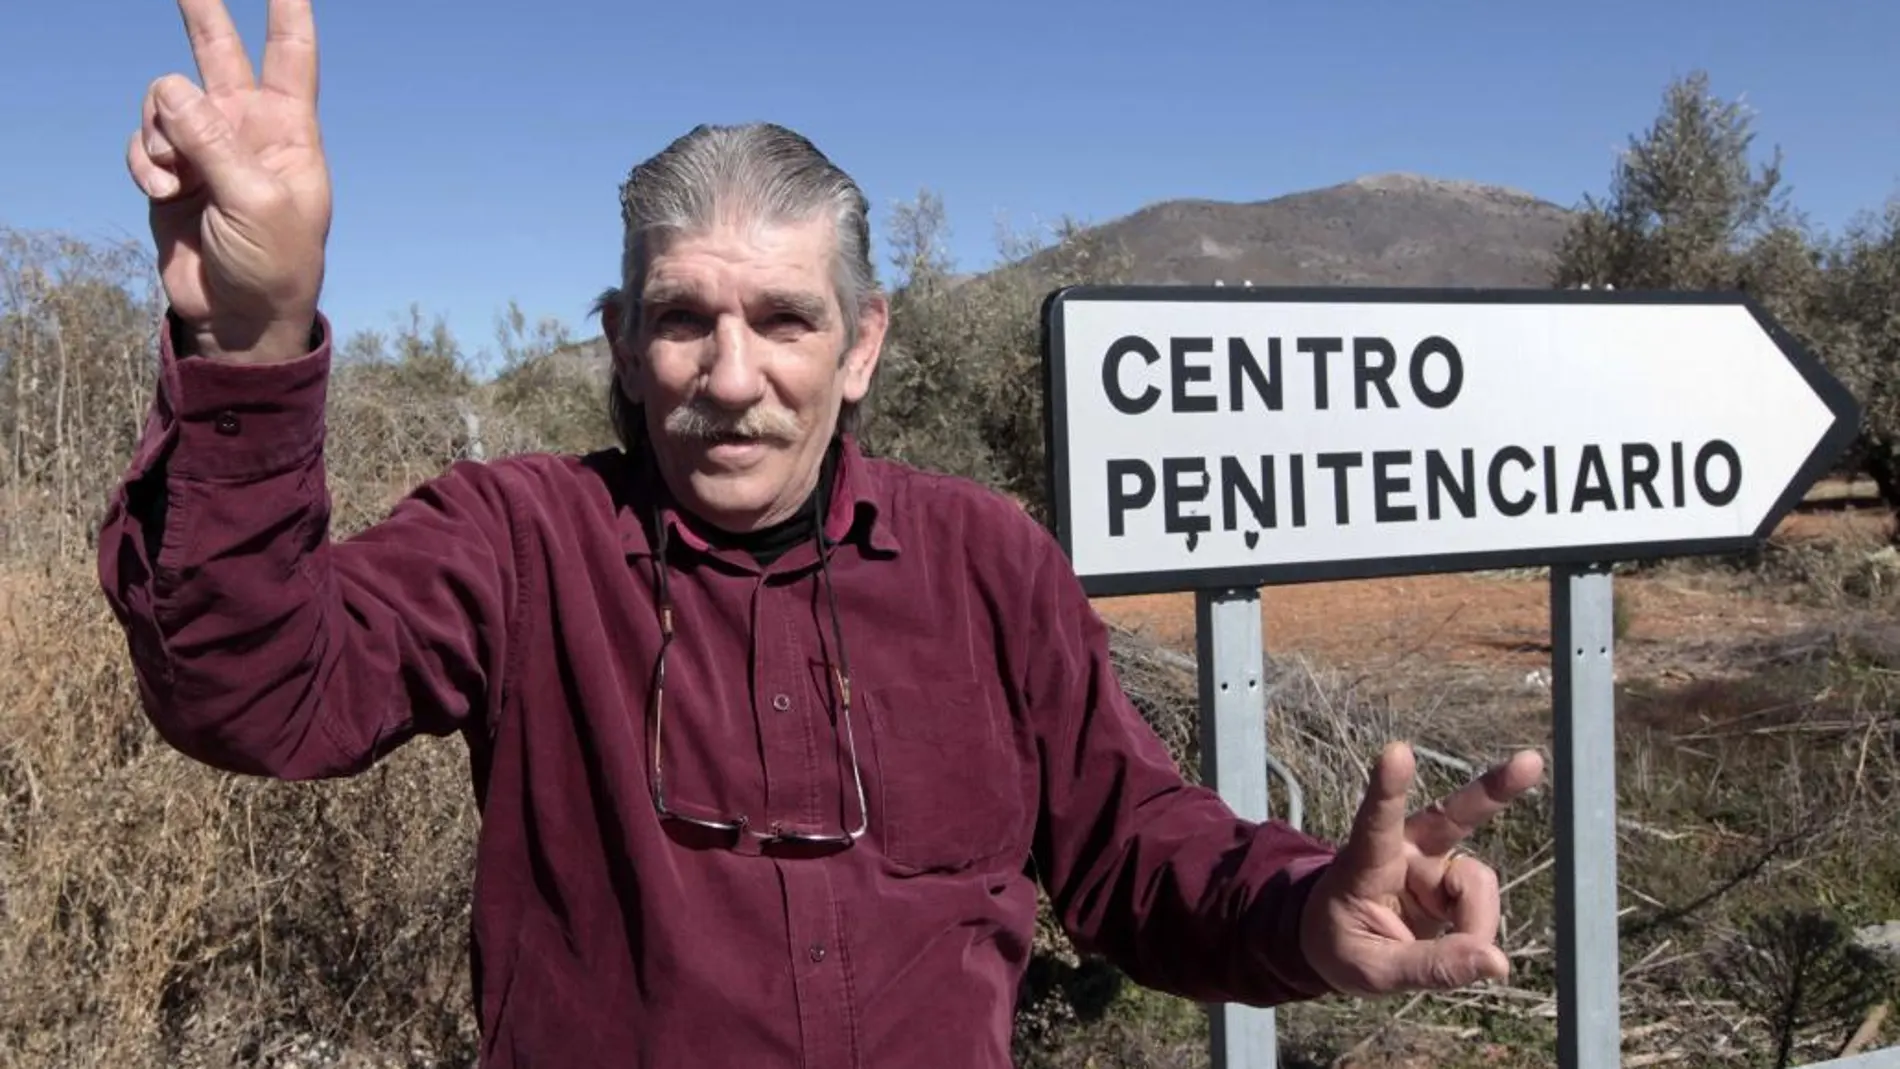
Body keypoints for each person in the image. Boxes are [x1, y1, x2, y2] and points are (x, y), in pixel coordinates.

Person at [100, 2, 1547, 1066]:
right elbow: (254, 691)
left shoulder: (983, 560)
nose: (733, 377)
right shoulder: (519, 540)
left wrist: (1303, 912)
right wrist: (251, 342)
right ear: (620, 341)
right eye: (682, 320)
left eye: (784, 319)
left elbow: (1129, 849)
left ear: (861, 345)